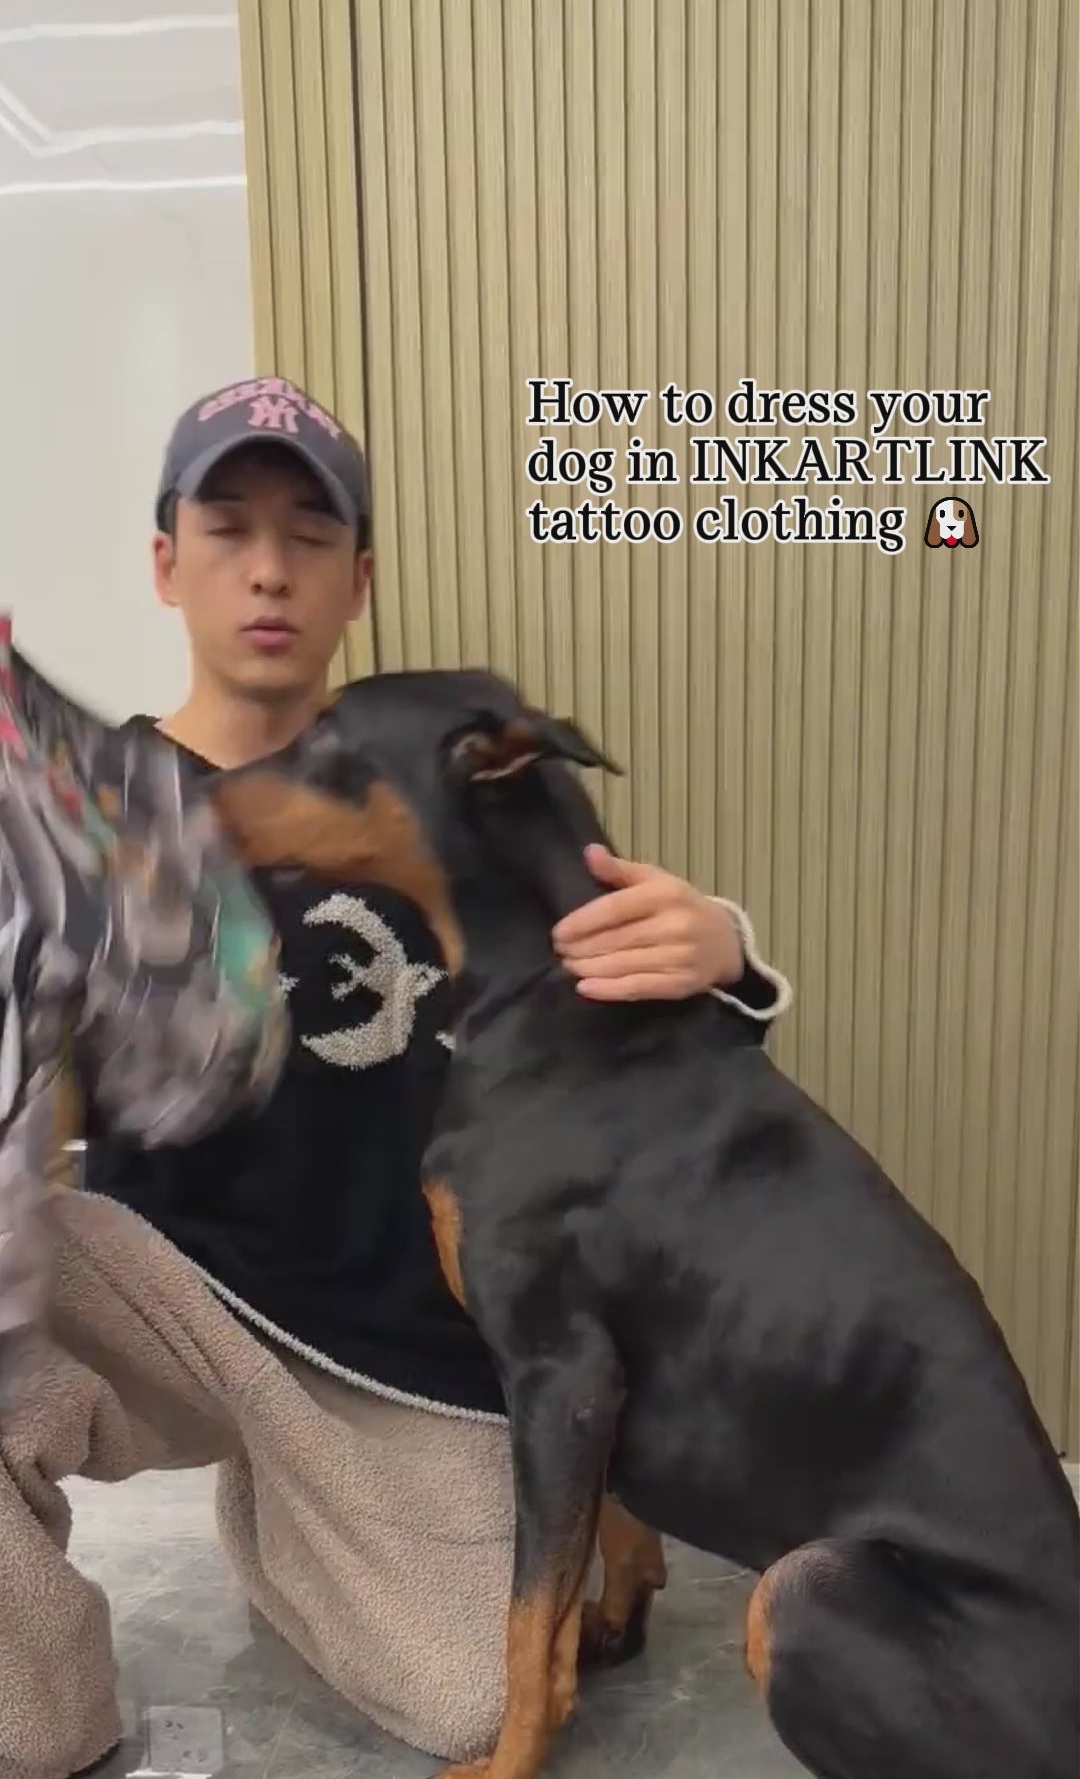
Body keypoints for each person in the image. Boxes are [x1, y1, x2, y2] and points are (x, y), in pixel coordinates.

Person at [0, 376, 792, 1779]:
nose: (268, 568)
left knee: (473, 1705)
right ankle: (36, 1720)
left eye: (309, 535)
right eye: (229, 528)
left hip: (405, 1354)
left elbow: (633, 1017)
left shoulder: (452, 790)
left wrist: (727, 945)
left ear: (357, 581)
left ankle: (300, 1515)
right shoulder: (87, 814)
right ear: (166, 563)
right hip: (169, 1299)